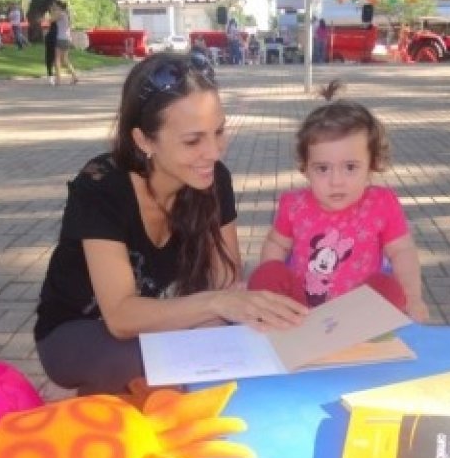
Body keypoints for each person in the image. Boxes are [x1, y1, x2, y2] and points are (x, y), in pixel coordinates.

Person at [34, 51, 308, 394]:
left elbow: (226, 283)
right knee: (170, 367)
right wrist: (215, 305)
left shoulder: (211, 180)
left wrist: (250, 312)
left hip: (158, 325)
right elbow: (120, 318)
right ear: (144, 140)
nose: (214, 152)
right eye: (193, 141)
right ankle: (105, 423)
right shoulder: (101, 187)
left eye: (219, 131)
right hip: (76, 330)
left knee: (230, 351)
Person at [248, 80, 429, 322]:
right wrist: (270, 284)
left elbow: (402, 251)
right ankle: (272, 313)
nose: (336, 181)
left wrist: (414, 299)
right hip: (301, 313)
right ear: (305, 167)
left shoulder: (381, 204)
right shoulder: (294, 205)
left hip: (360, 316)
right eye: (322, 168)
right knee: (266, 275)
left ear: (372, 164)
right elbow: (276, 244)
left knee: (389, 290)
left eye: (350, 167)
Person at [52, 0, 78, 86]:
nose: (54, 7)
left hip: (60, 38)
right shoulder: (66, 14)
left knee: (57, 59)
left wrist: (53, 12)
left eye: (55, 5)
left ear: (59, 6)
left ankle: (58, 80)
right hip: (67, 39)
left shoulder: (60, 13)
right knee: (65, 60)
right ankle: (74, 76)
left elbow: (51, 20)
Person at [43, 15, 58, 84]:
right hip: (53, 40)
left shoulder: (60, 16)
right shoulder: (56, 20)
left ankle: (52, 76)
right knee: (52, 58)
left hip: (52, 39)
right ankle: (52, 76)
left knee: (50, 59)